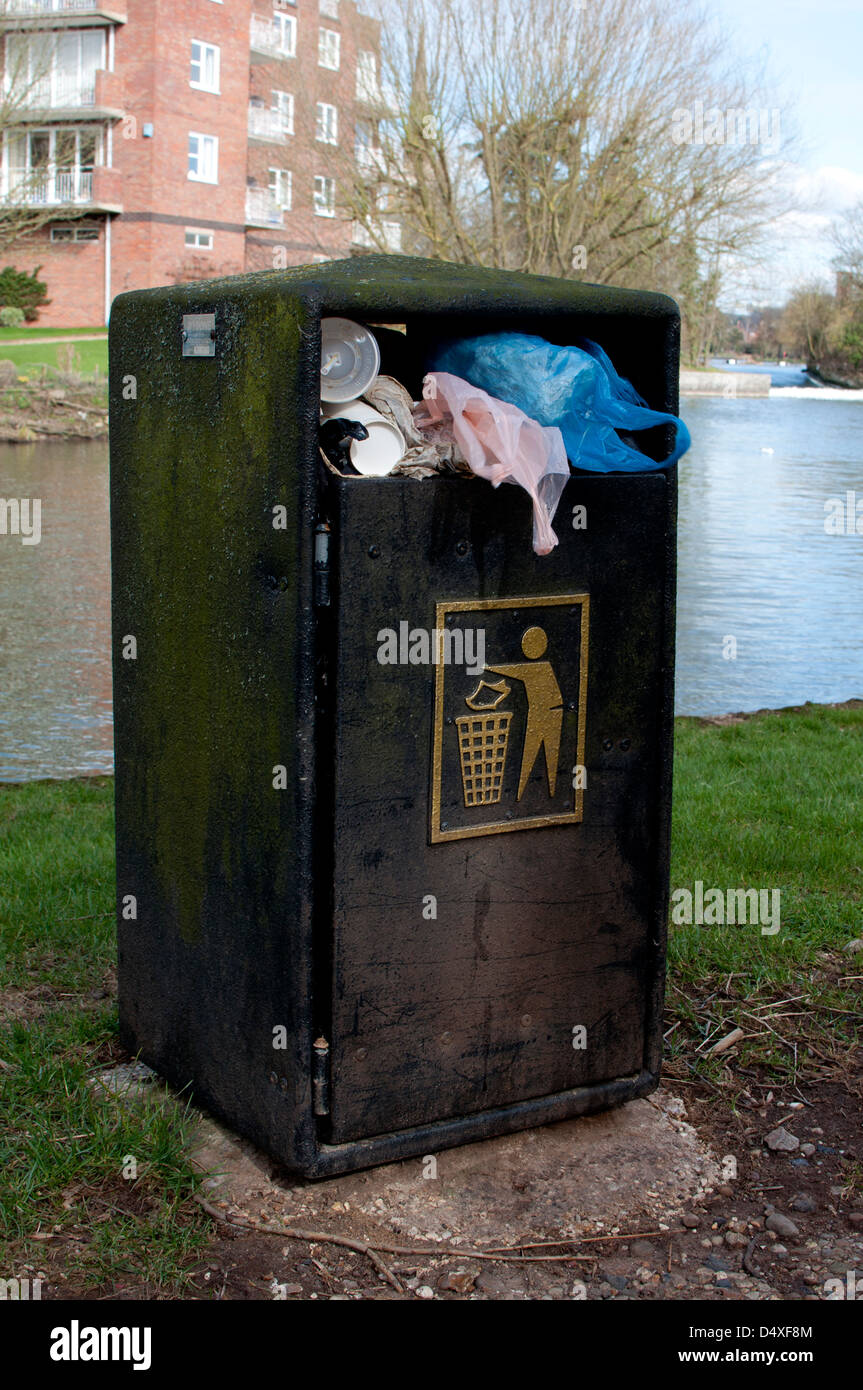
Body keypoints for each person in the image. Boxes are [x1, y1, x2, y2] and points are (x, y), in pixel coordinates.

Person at [486, 626, 563, 800]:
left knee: (543, 755)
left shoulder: (540, 668)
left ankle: (544, 793)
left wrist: (488, 667)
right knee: (532, 755)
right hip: (543, 712)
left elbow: (515, 670)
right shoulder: (541, 667)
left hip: (548, 713)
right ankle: (523, 794)